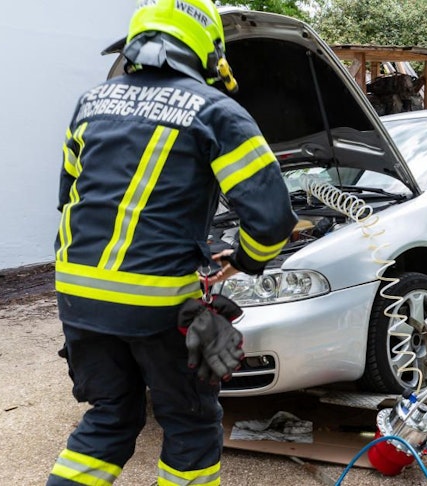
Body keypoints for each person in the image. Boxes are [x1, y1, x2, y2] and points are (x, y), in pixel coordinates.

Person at [48, 1, 298, 484]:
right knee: (190, 422)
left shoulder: (91, 102)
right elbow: (271, 220)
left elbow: (69, 198)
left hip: (78, 296)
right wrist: (244, 260)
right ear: (206, 49)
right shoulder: (218, 110)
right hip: (156, 303)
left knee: (110, 417)